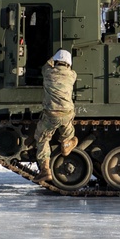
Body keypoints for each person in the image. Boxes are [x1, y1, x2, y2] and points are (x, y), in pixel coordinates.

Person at [34, 48, 77, 182]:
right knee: (68, 129)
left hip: (51, 114)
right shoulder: (72, 75)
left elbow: (46, 65)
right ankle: (66, 143)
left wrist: (51, 58)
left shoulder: (48, 73)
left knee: (42, 139)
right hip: (67, 112)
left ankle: (45, 169)